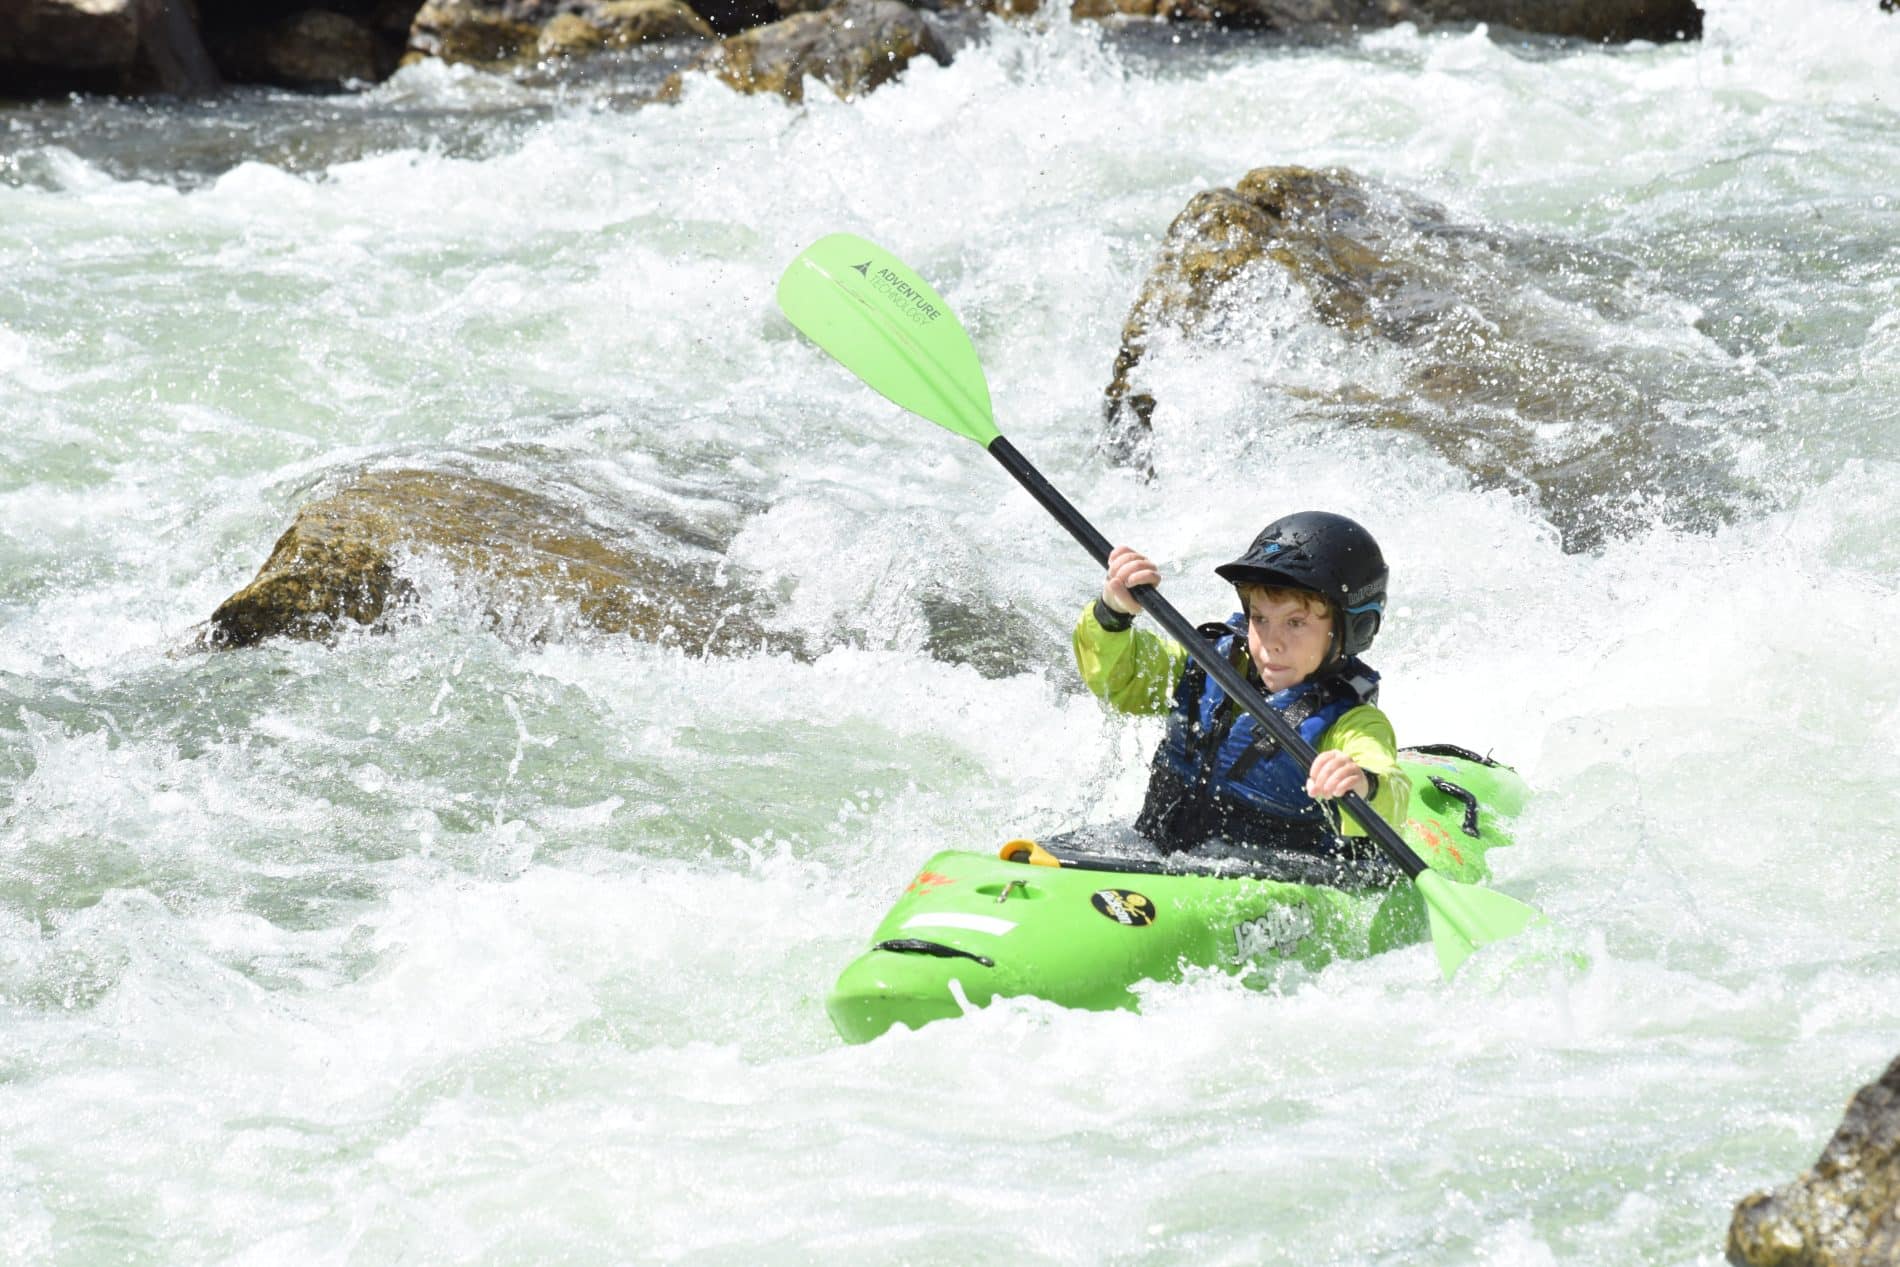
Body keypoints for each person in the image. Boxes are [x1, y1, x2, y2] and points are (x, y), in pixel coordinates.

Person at [1073, 511, 1410, 858]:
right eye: (1260, 618)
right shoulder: (1204, 666)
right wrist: (1112, 613)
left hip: (1272, 882)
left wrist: (1361, 782)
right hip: (1155, 852)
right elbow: (1117, 679)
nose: (1271, 641)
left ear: (1351, 629)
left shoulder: (1353, 722)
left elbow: (1393, 791)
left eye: (1295, 622)